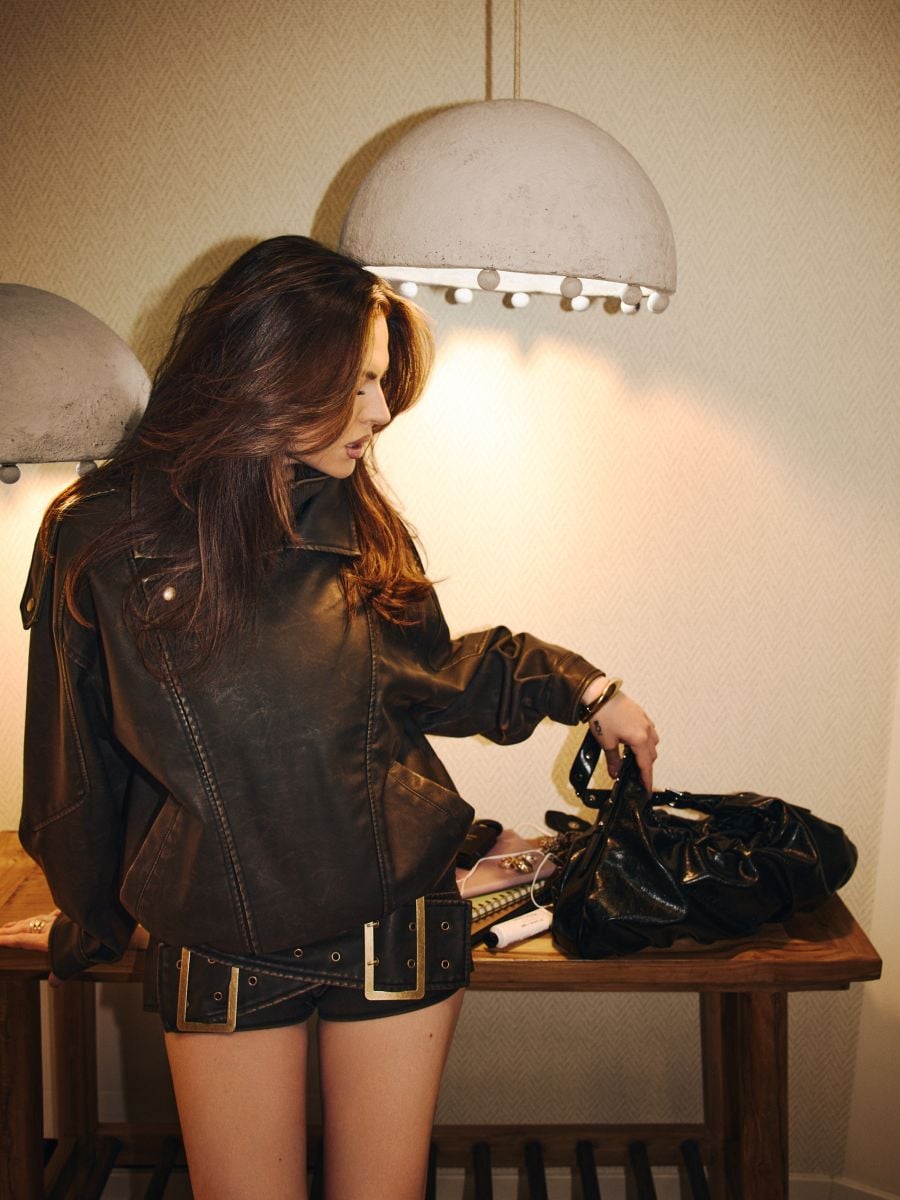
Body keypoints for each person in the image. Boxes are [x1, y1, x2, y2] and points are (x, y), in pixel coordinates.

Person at [0, 235, 658, 1200]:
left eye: (381, 383)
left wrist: (585, 688)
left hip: (397, 920)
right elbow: (74, 764)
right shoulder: (97, 533)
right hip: (222, 939)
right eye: (357, 385)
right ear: (266, 373)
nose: (381, 413)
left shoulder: (357, 513)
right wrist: (91, 916)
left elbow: (429, 676)